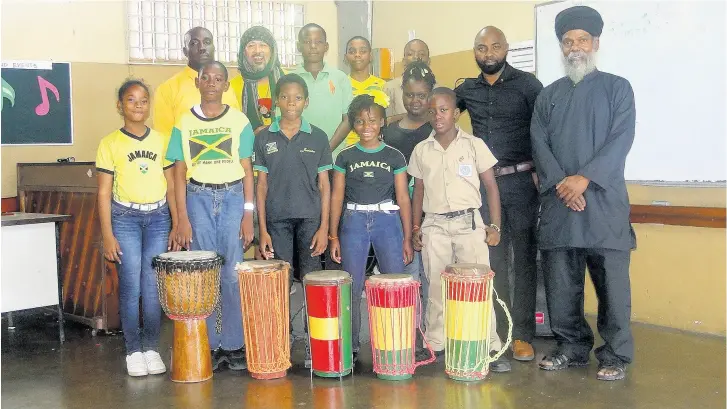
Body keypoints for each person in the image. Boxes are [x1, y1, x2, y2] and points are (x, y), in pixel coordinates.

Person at [531, 5, 636, 381]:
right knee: (562, 286)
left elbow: (620, 140)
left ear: (595, 43)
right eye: (568, 41)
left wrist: (584, 179)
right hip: (561, 207)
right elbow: (538, 142)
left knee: (613, 290)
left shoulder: (617, 88)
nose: (575, 47)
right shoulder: (549, 95)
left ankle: (615, 354)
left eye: (582, 40)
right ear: (562, 47)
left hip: (604, 206)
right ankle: (571, 348)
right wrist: (564, 182)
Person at [454, 26, 543, 366]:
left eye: (494, 46)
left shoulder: (528, 85)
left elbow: (545, 130)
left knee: (522, 261)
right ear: (474, 52)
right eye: (481, 47)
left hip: (521, 184)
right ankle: (497, 334)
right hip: (482, 188)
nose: (488, 53)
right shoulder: (467, 89)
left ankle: (521, 335)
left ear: (506, 48)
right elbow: (441, 114)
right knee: (491, 262)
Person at [409, 88, 508, 372]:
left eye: (443, 110)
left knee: (478, 286)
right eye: (432, 111)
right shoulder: (421, 150)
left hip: (468, 223)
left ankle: (489, 344)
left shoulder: (473, 145)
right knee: (437, 287)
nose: (437, 116)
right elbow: (418, 192)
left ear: (456, 113)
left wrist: (495, 225)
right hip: (435, 225)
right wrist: (417, 226)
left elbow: (491, 186)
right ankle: (437, 344)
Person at [166, 61, 255, 372]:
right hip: (198, 197)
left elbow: (247, 171)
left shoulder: (240, 121)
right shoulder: (183, 122)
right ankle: (209, 343)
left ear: (226, 86)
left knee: (231, 274)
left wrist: (248, 215)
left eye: (220, 79)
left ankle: (233, 344)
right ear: (198, 83)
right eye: (207, 78)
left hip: (232, 198)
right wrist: (181, 219)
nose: (213, 83)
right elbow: (178, 174)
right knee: (204, 275)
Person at [96, 79, 178, 377]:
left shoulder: (162, 141)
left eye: (143, 100)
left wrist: (177, 222)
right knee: (131, 287)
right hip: (125, 219)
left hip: (158, 219)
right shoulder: (110, 143)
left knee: (153, 287)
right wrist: (107, 234)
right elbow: (104, 192)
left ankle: (152, 348)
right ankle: (133, 350)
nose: (138, 105)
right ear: (120, 106)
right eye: (131, 100)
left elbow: (171, 185)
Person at [254, 73, 332, 367]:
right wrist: (262, 230)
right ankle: (280, 344)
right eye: (285, 97)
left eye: (297, 97)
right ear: (276, 101)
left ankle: (316, 346)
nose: (291, 103)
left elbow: (325, 185)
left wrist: (325, 228)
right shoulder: (264, 137)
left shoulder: (319, 136)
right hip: (276, 222)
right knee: (280, 285)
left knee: (312, 282)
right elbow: (261, 186)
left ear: (306, 102)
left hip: (311, 222)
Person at [329, 94, 413, 365]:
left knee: (393, 282)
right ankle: (350, 347)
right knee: (352, 285)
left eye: (372, 120)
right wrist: (333, 235)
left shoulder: (394, 156)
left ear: (382, 123)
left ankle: (394, 343)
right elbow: (337, 197)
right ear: (353, 124)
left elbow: (403, 198)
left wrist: (407, 236)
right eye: (360, 121)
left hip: (387, 220)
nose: (366, 126)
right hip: (353, 221)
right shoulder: (345, 156)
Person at [382, 60, 436, 324]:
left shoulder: (437, 130)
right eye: (410, 94)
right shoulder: (389, 131)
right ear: (402, 94)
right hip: (398, 212)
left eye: (422, 95)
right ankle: (410, 330)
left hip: (432, 212)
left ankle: (432, 332)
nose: (415, 101)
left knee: (432, 274)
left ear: (431, 96)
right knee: (407, 272)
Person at [154, 27, 240, 143]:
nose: (202, 48)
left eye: (207, 42)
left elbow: (237, 130)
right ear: (185, 51)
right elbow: (164, 137)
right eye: (194, 43)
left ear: (214, 48)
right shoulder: (168, 89)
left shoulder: (227, 87)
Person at [291, 23, 353, 160]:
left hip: (334, 156)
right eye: (307, 41)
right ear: (298, 46)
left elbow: (348, 119)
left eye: (318, 42)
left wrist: (326, 150)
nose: (313, 46)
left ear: (326, 46)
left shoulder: (340, 78)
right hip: (298, 157)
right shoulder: (289, 80)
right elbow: (282, 120)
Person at [329, 35, 386, 148]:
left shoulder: (382, 86)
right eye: (352, 51)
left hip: (373, 146)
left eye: (363, 51)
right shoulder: (339, 85)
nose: (357, 55)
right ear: (345, 58)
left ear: (370, 56)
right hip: (345, 147)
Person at [230, 26, 286, 133]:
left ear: (272, 50)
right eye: (251, 46)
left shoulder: (287, 81)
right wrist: (251, 134)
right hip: (248, 146)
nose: (257, 51)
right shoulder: (232, 86)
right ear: (243, 52)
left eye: (263, 45)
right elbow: (231, 126)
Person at [383, 39, 437, 118]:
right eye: (410, 54)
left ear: (428, 61)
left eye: (421, 54)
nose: (416, 57)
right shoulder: (390, 88)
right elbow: (386, 121)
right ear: (404, 61)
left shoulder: (437, 88)